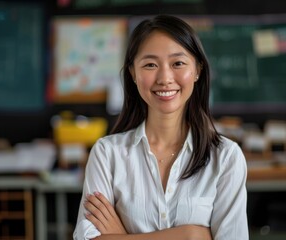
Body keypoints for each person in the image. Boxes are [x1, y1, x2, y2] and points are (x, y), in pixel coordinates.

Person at [73, 14, 248, 240]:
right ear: (133, 73)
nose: (165, 78)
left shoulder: (225, 157)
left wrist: (120, 236)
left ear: (197, 70)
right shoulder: (107, 154)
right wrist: (190, 235)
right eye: (150, 65)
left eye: (178, 63)